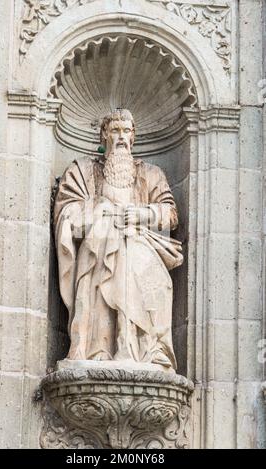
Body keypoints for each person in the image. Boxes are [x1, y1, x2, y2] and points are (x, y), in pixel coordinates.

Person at [54, 109, 183, 370]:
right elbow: (66, 212)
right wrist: (100, 209)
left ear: (133, 137)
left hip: (141, 245)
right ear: (104, 135)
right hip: (97, 249)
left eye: (126, 131)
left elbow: (170, 214)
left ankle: (145, 348)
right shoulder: (84, 171)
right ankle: (97, 348)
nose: (121, 137)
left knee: (149, 272)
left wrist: (140, 214)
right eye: (115, 130)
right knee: (110, 241)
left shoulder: (151, 174)